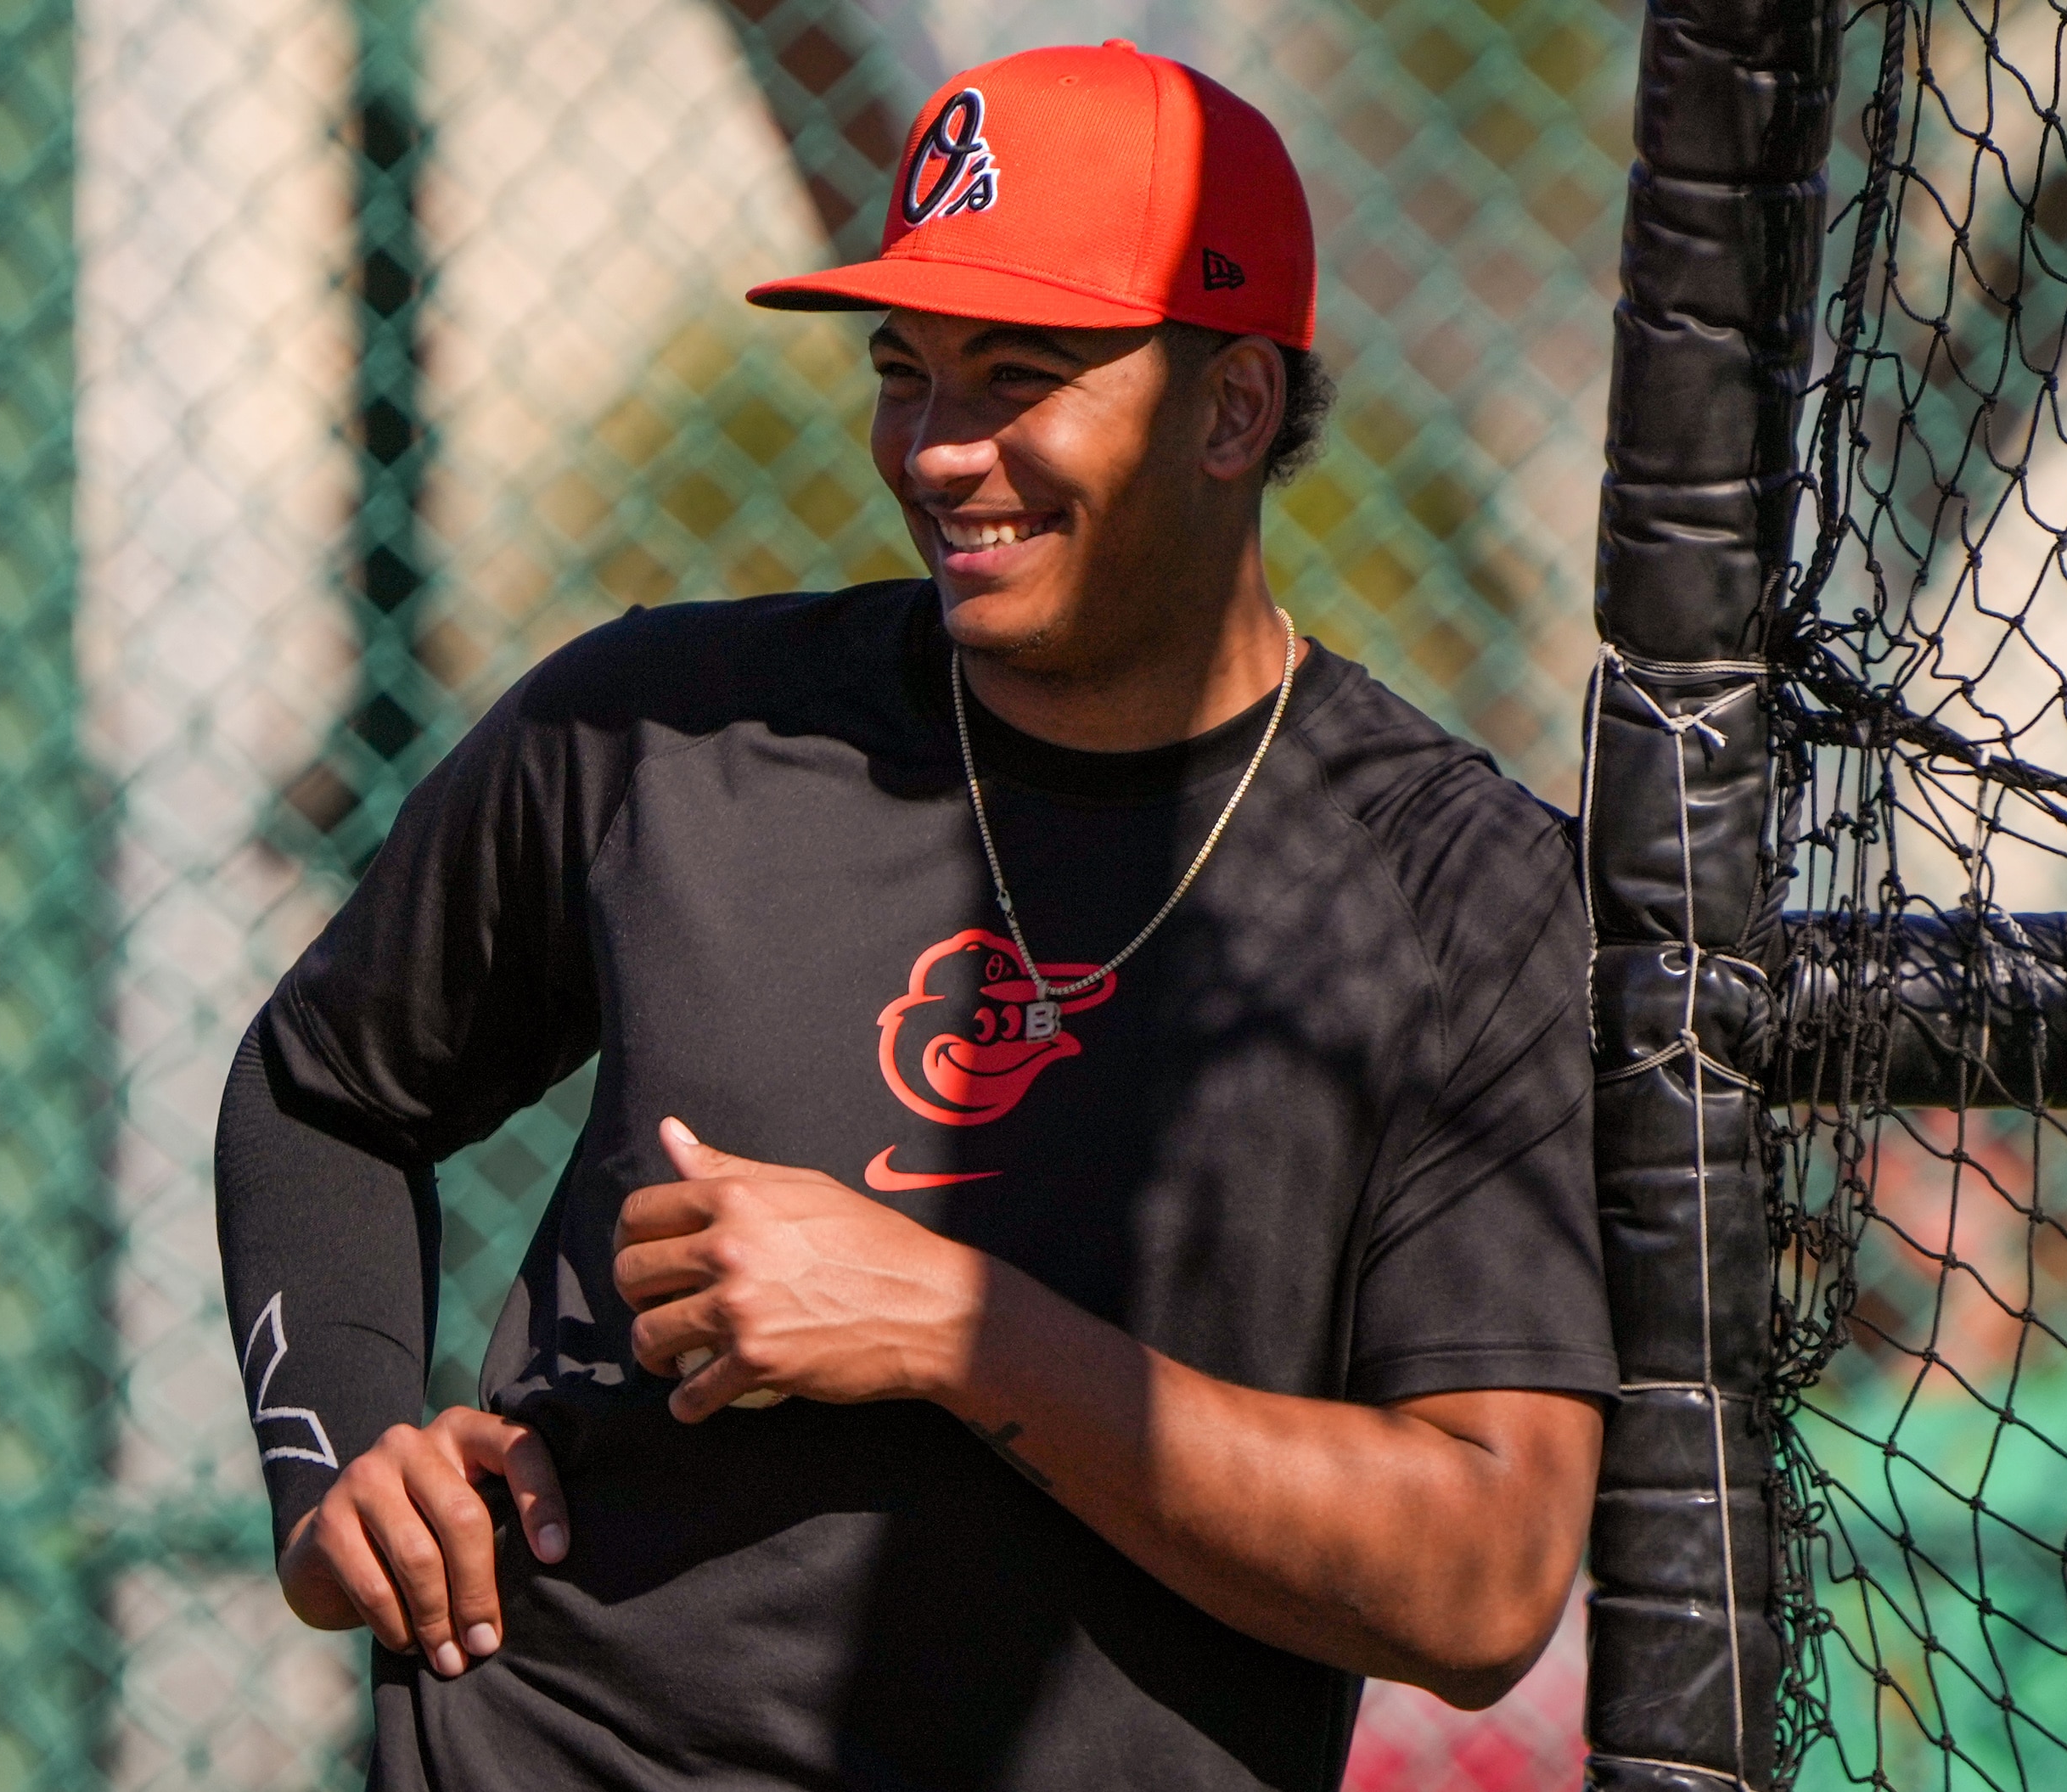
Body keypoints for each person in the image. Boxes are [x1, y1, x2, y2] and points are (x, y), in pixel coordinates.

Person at [215, 38, 1615, 1792]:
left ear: (1235, 409)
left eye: (1019, 378)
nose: (941, 452)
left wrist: (953, 1329)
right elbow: (324, 1088)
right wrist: (340, 1456)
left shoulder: (1452, 882)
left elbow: (1480, 1580)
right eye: (905, 372)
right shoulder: (658, 724)